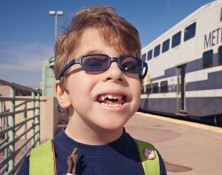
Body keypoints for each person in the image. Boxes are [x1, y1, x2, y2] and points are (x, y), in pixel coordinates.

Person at [17, 6, 167, 175]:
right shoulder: (35, 167)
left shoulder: (150, 162)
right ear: (63, 93)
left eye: (130, 65)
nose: (117, 72)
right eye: (94, 63)